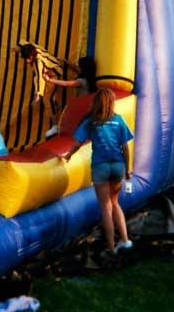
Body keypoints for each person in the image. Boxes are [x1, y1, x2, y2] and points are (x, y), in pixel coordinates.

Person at [63, 88, 134, 255]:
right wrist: (128, 168)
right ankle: (124, 240)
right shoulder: (118, 120)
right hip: (118, 166)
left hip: (100, 167)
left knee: (105, 207)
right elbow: (125, 147)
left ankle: (110, 247)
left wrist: (68, 155)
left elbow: (76, 143)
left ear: (96, 102)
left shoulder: (91, 121)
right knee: (115, 202)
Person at [12, 41, 63, 110]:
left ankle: (54, 116)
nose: (27, 61)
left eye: (28, 58)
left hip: (56, 74)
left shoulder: (38, 63)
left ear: (31, 56)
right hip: (55, 64)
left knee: (47, 99)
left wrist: (38, 94)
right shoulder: (34, 48)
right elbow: (24, 44)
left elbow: (39, 77)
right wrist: (18, 47)